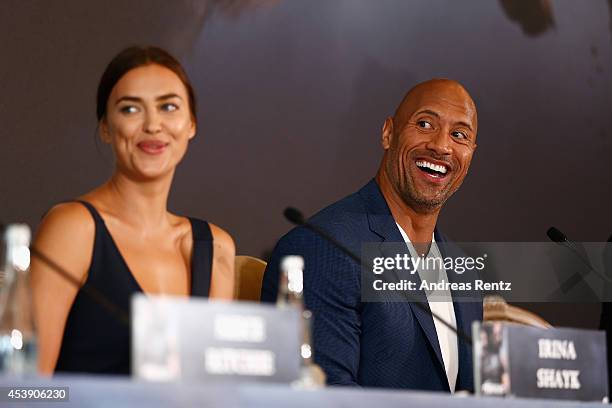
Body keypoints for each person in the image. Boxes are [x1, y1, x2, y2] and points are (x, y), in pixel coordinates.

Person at [261, 78, 483, 392]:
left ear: (470, 154)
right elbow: (326, 396)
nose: (441, 145)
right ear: (388, 133)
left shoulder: (466, 274)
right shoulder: (325, 246)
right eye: (424, 124)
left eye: (459, 135)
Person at [31, 46, 235, 375]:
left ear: (191, 124)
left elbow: (212, 390)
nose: (153, 125)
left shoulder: (216, 246)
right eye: (130, 109)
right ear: (106, 128)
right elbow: (27, 389)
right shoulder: (73, 227)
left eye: (168, 107)